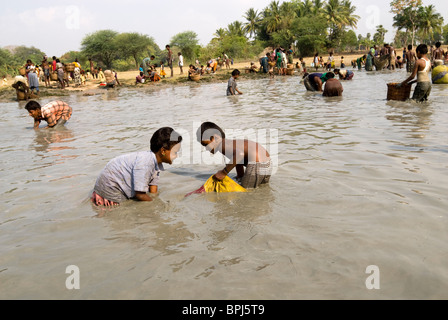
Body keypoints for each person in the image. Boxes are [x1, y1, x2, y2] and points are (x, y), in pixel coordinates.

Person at [91, 127, 182, 206]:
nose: (176, 156)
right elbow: (140, 195)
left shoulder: (156, 163)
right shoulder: (145, 163)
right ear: (163, 151)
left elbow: (153, 187)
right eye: (175, 152)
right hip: (110, 184)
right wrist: (155, 204)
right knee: (120, 210)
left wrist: (154, 199)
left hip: (114, 177)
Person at [196, 122, 272, 189]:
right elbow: (238, 161)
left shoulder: (223, 146)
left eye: (206, 144)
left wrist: (223, 172)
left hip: (257, 164)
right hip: (267, 163)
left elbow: (240, 154)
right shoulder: (229, 143)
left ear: (215, 138)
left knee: (246, 193)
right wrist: (240, 177)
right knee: (261, 189)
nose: (206, 148)